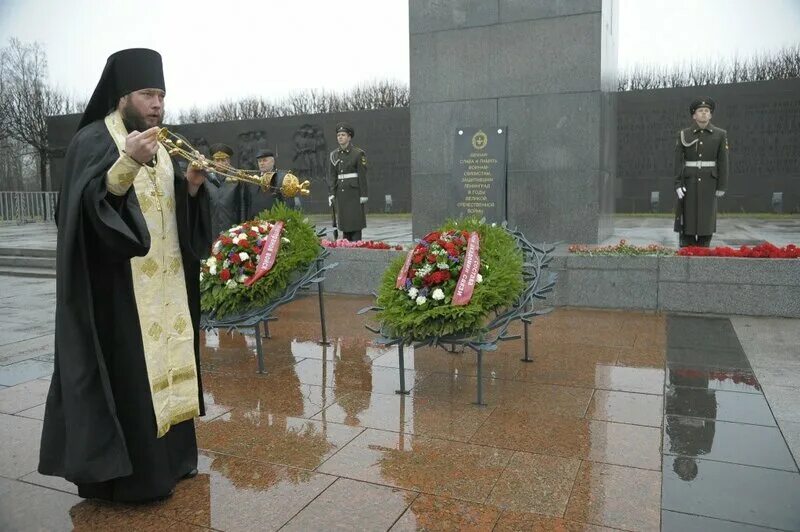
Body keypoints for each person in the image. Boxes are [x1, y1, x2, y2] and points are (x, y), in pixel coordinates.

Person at [38, 48, 212, 503]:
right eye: (146, 94)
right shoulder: (94, 141)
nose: (156, 104)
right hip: (119, 291)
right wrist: (126, 163)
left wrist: (191, 189)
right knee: (132, 379)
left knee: (172, 364)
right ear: (122, 98)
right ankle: (133, 480)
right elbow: (81, 213)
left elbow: (172, 214)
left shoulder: (165, 147)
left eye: (161, 95)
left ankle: (174, 462)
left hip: (167, 288)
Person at [674, 97, 729, 247]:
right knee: (688, 217)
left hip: (710, 182)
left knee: (707, 217)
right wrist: (678, 184)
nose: (704, 114)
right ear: (694, 115)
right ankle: (687, 243)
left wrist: (721, 186)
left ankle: (704, 245)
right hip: (689, 181)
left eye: (707, 111)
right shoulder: (684, 134)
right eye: (700, 111)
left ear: (710, 115)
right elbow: (678, 161)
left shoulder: (720, 134)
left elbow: (723, 162)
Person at [328, 122, 368, 241]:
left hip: (354, 193)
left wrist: (364, 194)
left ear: (349, 137)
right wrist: (332, 193)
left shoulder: (358, 153)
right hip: (341, 193)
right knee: (344, 225)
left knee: (355, 224)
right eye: (338, 135)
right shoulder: (334, 155)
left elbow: (362, 175)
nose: (340, 137)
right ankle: (346, 248)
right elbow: (333, 176)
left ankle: (356, 247)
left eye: (343, 135)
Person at [207, 143, 246, 237]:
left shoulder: (237, 179)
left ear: (229, 160)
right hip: (212, 228)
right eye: (217, 160)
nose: (220, 163)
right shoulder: (206, 179)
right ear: (213, 161)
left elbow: (243, 206)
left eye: (223, 160)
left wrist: (243, 228)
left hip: (232, 228)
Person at [245, 149, 285, 219]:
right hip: (255, 223)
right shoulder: (252, 178)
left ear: (272, 162)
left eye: (264, 160)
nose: (261, 163)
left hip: (275, 223)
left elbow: (287, 203)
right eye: (259, 161)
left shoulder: (281, 178)